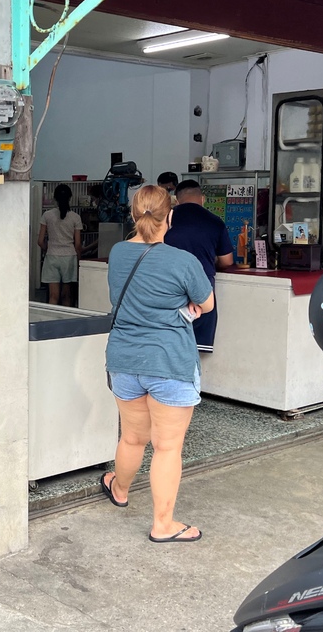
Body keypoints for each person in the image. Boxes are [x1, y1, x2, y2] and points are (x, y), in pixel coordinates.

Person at [101, 184, 214, 543]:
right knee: (167, 447)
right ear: (171, 217)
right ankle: (163, 525)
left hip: (124, 359)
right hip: (169, 362)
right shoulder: (183, 261)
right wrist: (187, 307)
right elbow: (206, 304)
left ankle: (119, 489)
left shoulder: (117, 253)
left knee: (132, 438)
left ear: (134, 215)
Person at [163, 180, 234, 354]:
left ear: (176, 200)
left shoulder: (164, 220)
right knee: (195, 347)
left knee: (167, 344)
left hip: (167, 286)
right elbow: (227, 261)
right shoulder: (214, 222)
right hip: (202, 290)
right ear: (202, 198)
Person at [37, 183, 82, 306]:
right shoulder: (75, 217)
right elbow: (77, 244)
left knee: (53, 296)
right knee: (66, 296)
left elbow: (40, 241)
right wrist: (78, 260)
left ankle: (51, 323)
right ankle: (66, 323)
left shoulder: (47, 215)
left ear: (54, 198)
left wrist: (49, 249)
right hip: (69, 257)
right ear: (70, 197)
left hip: (52, 256)